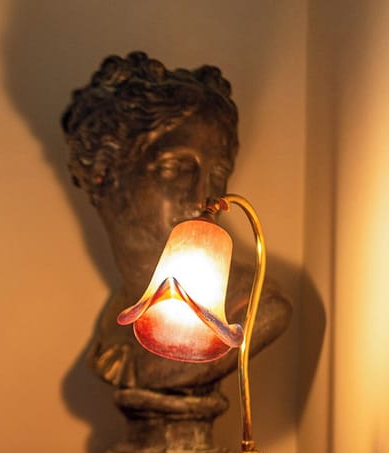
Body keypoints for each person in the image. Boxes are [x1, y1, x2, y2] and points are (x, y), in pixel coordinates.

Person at [62, 52, 291, 391]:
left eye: (218, 174)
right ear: (104, 174)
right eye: (176, 169)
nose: (205, 196)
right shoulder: (118, 317)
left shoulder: (254, 307)